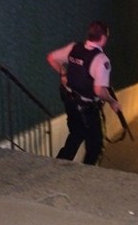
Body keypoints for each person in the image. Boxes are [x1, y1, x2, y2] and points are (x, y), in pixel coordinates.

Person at [46, 21, 121, 165]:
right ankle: (86, 178)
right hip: (87, 108)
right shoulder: (101, 60)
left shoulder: (73, 48)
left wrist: (63, 74)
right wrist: (112, 102)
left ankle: (56, 167)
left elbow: (51, 58)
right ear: (104, 38)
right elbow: (99, 90)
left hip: (70, 102)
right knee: (95, 147)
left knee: (76, 134)